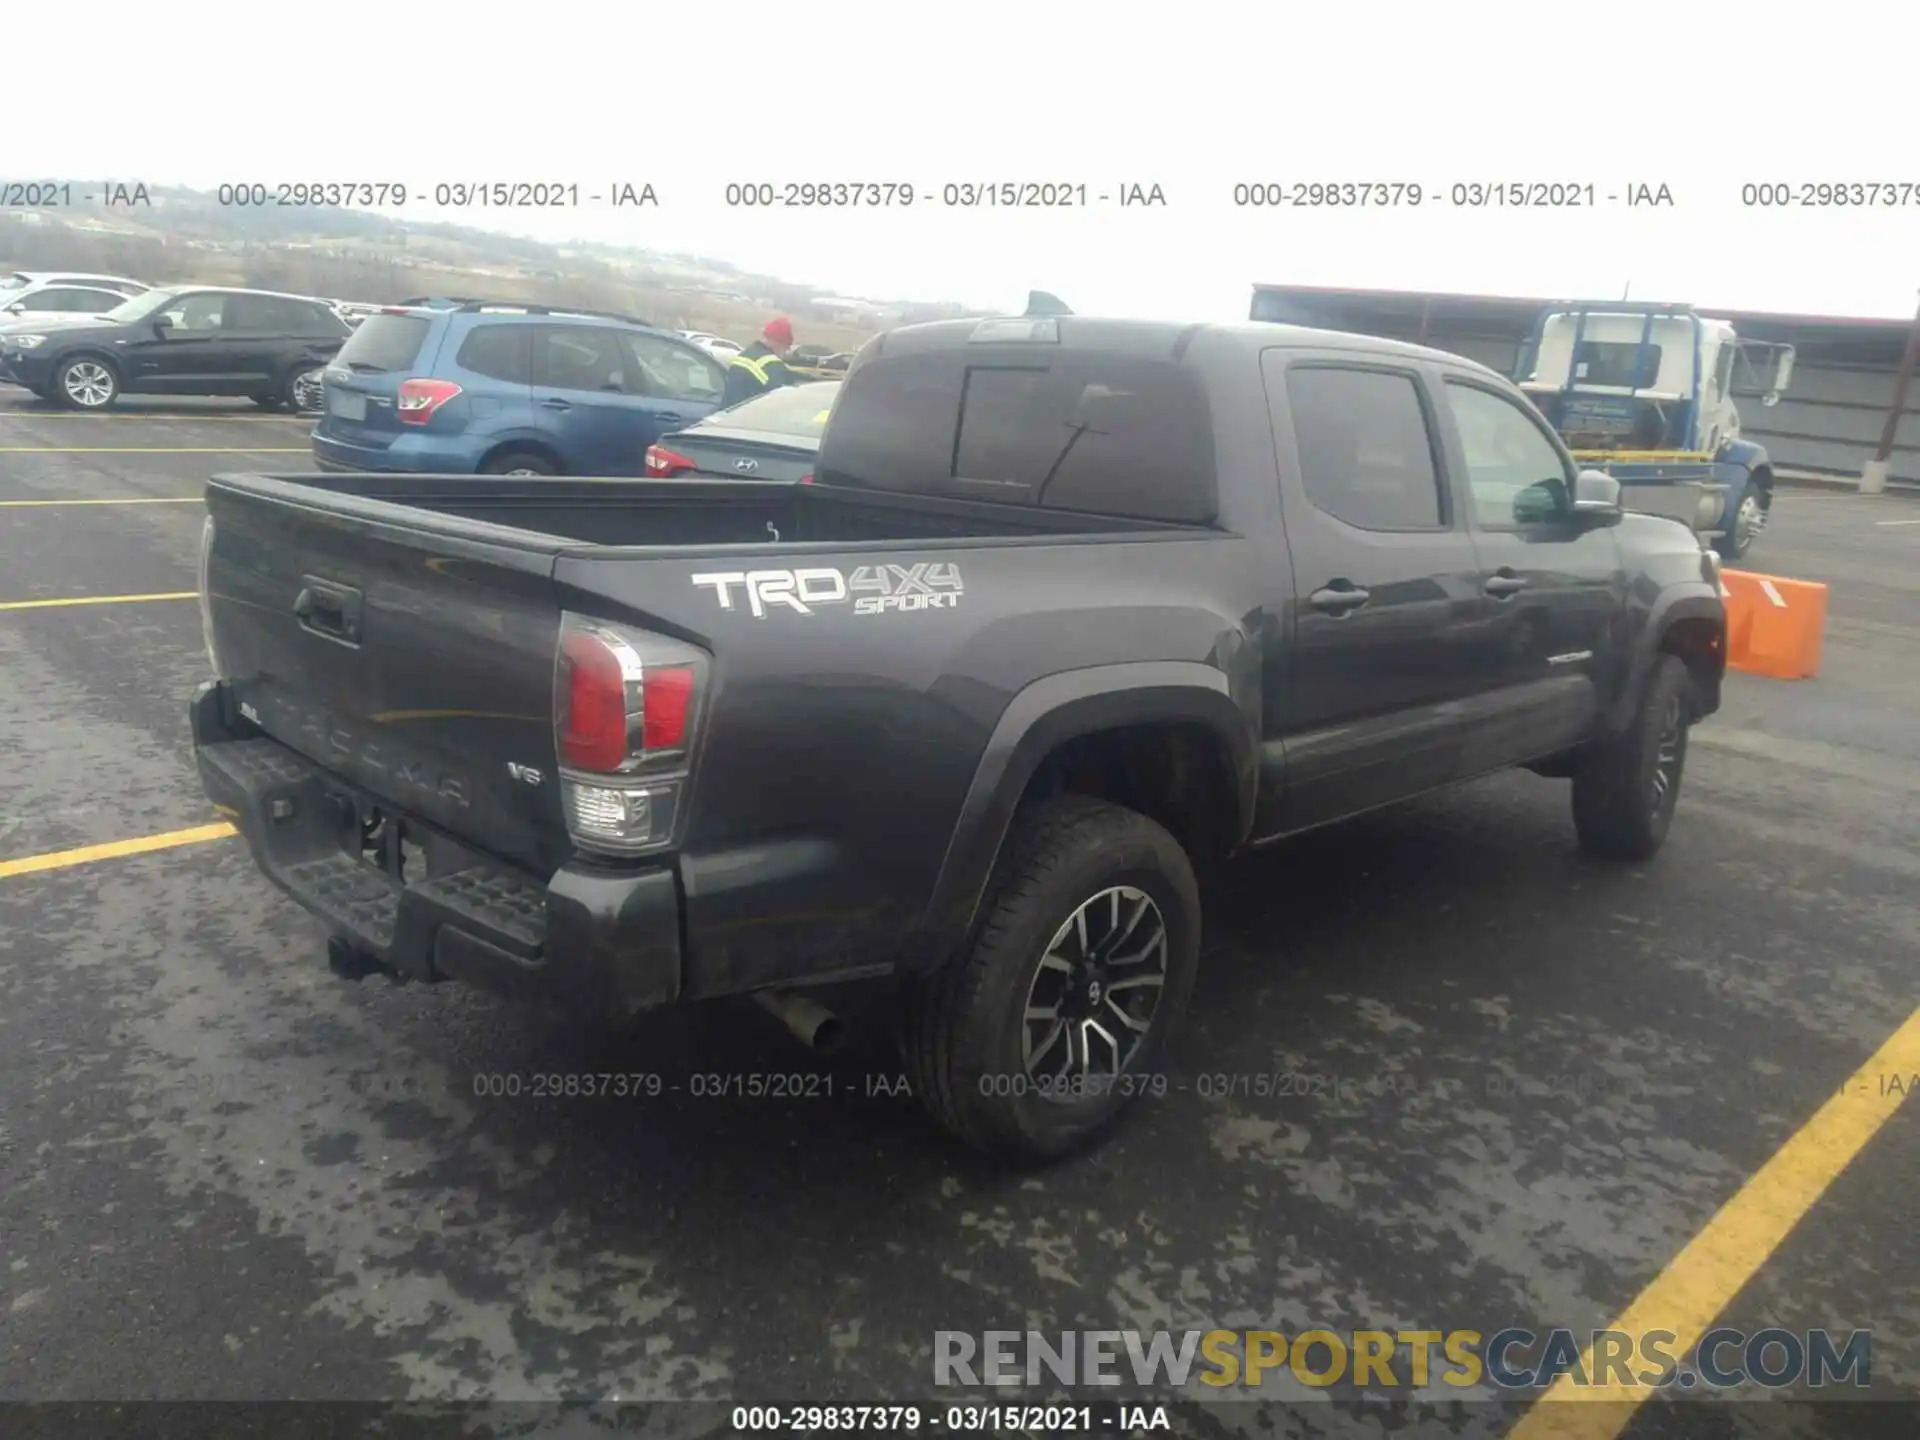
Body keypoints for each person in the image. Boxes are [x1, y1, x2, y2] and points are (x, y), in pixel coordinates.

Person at [722, 316, 802, 407]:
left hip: (728, 414)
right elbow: (781, 397)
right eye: (787, 346)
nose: (787, 351)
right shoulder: (771, 364)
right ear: (778, 342)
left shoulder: (747, 354)